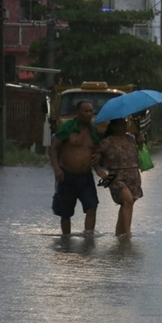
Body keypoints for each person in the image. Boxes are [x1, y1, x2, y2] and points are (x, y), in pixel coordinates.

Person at [50, 100, 100, 235]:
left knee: (92, 207)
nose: (89, 114)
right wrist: (57, 169)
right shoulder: (68, 128)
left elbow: (97, 150)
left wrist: (99, 162)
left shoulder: (93, 130)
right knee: (65, 212)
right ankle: (66, 240)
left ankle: (88, 239)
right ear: (78, 112)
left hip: (86, 177)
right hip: (68, 175)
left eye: (91, 111)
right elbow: (54, 149)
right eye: (85, 111)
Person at [94, 118, 144, 236]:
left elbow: (139, 153)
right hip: (117, 177)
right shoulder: (107, 142)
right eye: (121, 125)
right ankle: (127, 234)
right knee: (127, 200)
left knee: (127, 204)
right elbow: (94, 156)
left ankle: (119, 234)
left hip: (133, 175)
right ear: (114, 127)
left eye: (125, 124)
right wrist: (99, 171)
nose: (124, 127)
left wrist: (141, 142)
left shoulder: (131, 138)